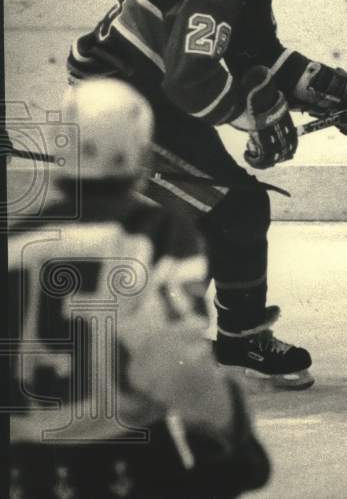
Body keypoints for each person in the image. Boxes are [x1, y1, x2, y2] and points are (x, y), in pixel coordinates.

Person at [65, 0, 347, 389]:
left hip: (153, 93)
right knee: (236, 206)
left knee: (223, 211)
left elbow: (258, 53)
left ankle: (180, 333)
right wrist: (253, 118)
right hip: (120, 102)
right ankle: (221, 338)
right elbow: (192, 79)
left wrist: (335, 93)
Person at [7, 78, 270, 498]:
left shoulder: (14, 242)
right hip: (123, 468)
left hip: (22, 474)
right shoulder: (154, 234)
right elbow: (172, 355)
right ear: (139, 147)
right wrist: (228, 435)